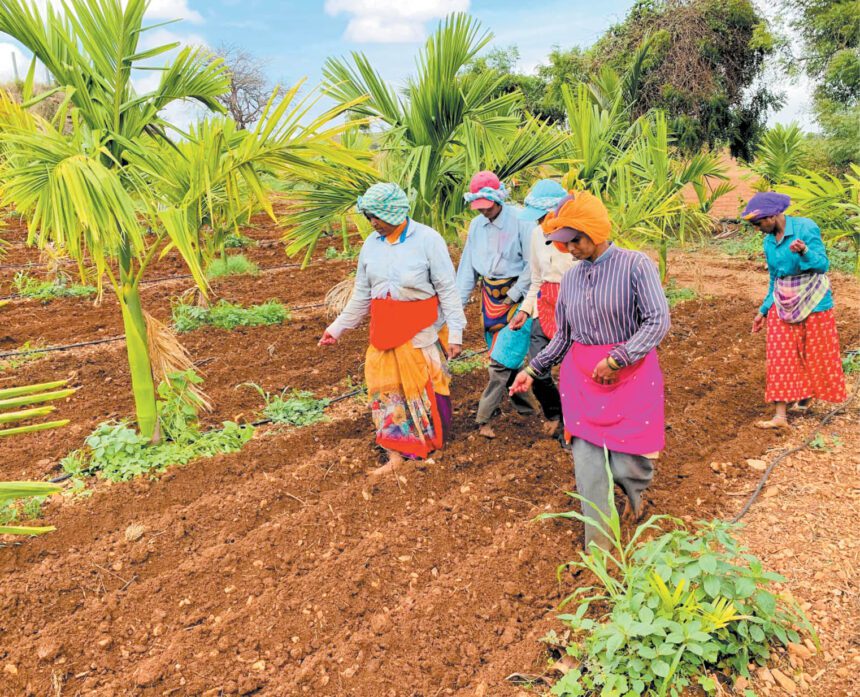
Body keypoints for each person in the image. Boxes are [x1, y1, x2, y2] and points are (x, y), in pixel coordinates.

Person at [509, 192, 670, 549]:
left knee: (632, 462)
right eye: (564, 244)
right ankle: (599, 546)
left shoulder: (635, 265)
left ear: (594, 231)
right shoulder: (572, 279)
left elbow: (657, 321)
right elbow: (564, 336)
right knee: (588, 465)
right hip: (582, 383)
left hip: (631, 377)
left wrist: (617, 359)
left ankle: (635, 495)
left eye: (575, 240)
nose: (570, 250)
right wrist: (532, 371)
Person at [319, 183, 466, 474]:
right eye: (368, 216)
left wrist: (457, 333)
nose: (373, 223)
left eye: (378, 216)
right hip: (384, 331)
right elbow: (362, 294)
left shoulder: (427, 240)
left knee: (426, 390)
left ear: (395, 212)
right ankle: (396, 455)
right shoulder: (371, 246)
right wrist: (336, 328)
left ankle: (427, 448)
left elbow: (449, 289)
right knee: (385, 392)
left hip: (421, 330)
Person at [745, 192, 847, 429]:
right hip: (783, 300)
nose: (758, 229)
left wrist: (804, 252)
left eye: (758, 224)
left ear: (771, 217)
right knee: (780, 356)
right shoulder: (769, 241)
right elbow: (775, 278)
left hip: (814, 299)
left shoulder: (805, 228)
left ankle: (805, 396)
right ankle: (780, 416)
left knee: (814, 353)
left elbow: (822, 265)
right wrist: (763, 310)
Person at [455, 170, 534, 439]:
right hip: (490, 297)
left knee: (500, 362)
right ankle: (527, 411)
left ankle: (484, 418)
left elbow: (533, 266)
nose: (483, 212)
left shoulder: (522, 221)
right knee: (505, 358)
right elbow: (468, 269)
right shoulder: (477, 226)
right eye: (478, 208)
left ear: (498, 199)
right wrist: (456, 307)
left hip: (518, 297)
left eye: (487, 207)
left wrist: (514, 294)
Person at [508, 178, 574, 438]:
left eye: (543, 217)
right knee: (537, 368)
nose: (539, 223)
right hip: (544, 305)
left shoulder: (576, 236)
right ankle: (554, 413)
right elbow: (537, 278)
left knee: (572, 373)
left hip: (573, 306)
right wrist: (525, 310)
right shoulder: (536, 235)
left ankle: (575, 425)